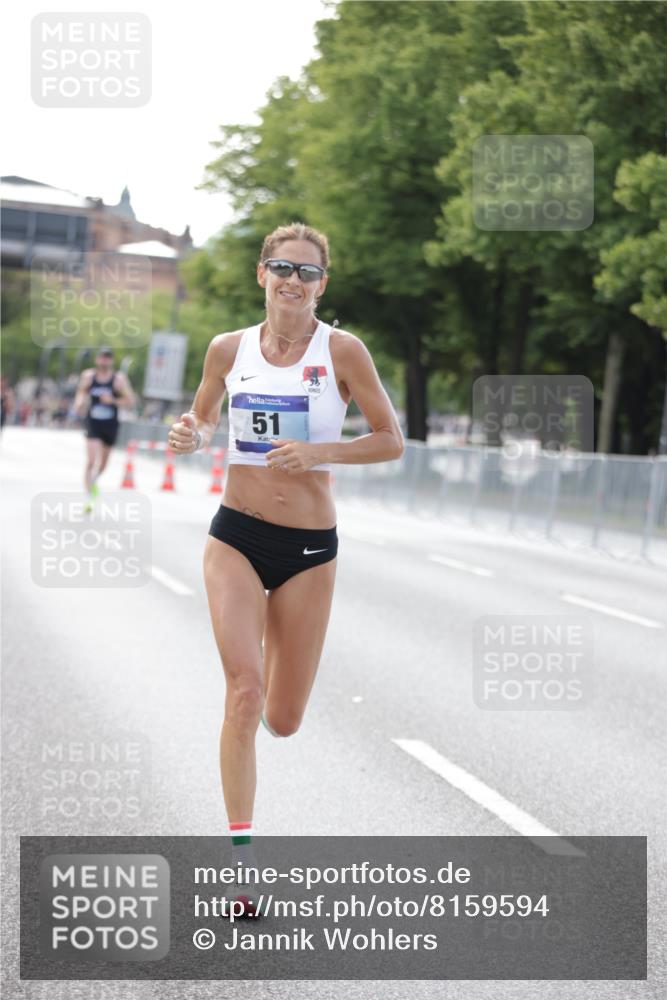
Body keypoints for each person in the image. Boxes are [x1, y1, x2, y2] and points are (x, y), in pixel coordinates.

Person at [168, 222, 405, 915]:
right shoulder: (227, 349)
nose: (291, 280)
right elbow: (202, 421)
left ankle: (277, 684)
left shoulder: (342, 352)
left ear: (321, 284)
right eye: (281, 267)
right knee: (242, 692)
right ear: (261, 275)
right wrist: (190, 434)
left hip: (307, 552)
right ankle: (242, 873)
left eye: (305, 272)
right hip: (236, 536)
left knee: (284, 717)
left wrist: (320, 455)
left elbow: (390, 440)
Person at [74, 347, 135, 501]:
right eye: (102, 357)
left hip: (110, 424)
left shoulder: (118, 380)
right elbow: (81, 393)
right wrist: (79, 403)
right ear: (97, 359)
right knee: (91, 460)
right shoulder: (88, 376)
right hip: (93, 422)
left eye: (107, 358)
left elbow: (130, 401)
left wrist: (113, 400)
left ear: (111, 361)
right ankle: (89, 495)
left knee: (103, 463)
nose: (104, 360)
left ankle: (94, 479)